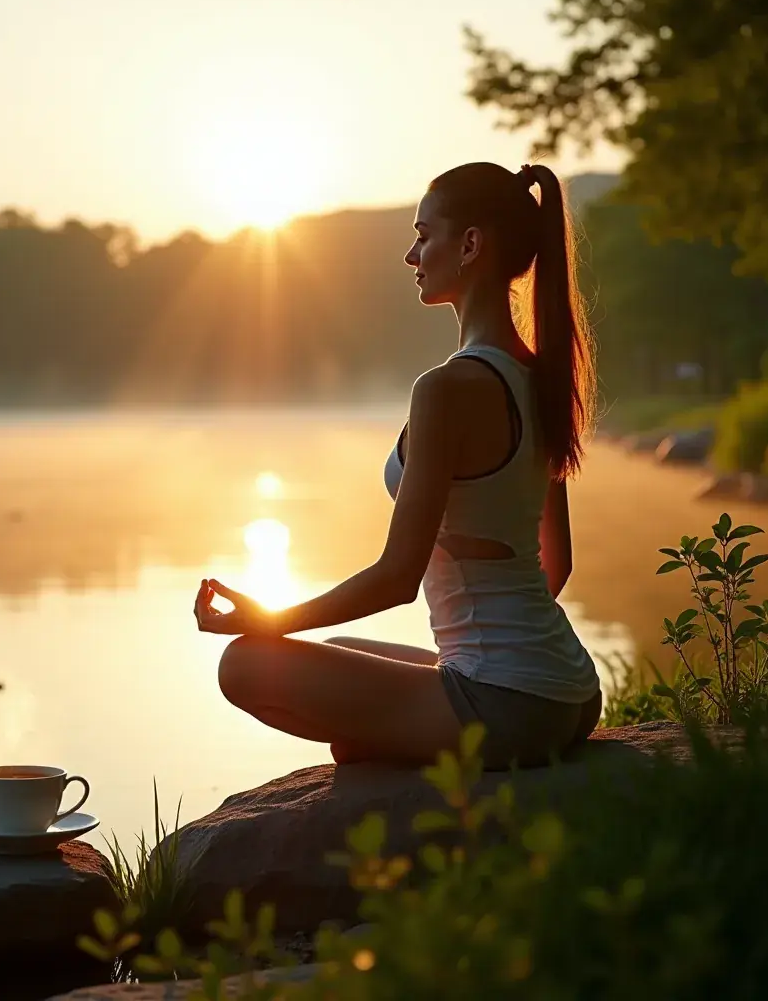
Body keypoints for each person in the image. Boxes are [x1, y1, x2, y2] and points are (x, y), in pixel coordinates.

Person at [193, 161, 602, 770]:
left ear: (469, 245)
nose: (411, 255)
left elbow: (397, 578)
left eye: (423, 234)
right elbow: (556, 563)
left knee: (247, 662)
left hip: (506, 709)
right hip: (571, 691)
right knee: (336, 650)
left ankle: (416, 734)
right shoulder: (537, 377)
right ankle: (413, 728)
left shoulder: (448, 388)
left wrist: (269, 618)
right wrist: (492, 641)